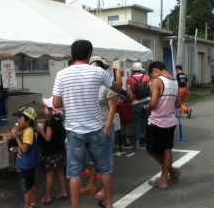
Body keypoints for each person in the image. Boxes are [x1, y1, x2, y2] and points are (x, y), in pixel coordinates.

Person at [52, 39, 123, 208]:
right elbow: (118, 89)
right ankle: (108, 202)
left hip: (73, 130)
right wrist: (119, 77)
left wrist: (70, 100)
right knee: (104, 168)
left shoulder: (62, 74)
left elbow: (55, 104)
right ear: (89, 54)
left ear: (72, 54)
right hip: (95, 128)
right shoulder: (97, 72)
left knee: (74, 173)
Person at [79, 56, 118, 201]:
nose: (93, 70)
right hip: (90, 126)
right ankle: (91, 184)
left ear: (102, 69)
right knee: (90, 158)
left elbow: (112, 108)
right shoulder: (87, 84)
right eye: (91, 67)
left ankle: (105, 188)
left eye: (96, 67)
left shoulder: (108, 85)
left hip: (104, 124)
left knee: (105, 159)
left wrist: (107, 128)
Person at [144, 61, 181, 189]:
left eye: (151, 75)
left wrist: (147, 107)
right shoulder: (175, 81)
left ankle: (170, 172)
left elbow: (153, 103)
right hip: (171, 121)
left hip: (157, 122)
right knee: (167, 149)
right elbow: (178, 103)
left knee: (150, 150)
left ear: (155, 71)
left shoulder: (158, 81)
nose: (152, 78)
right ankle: (165, 178)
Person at [36, 97, 68, 205]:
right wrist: (47, 121)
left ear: (51, 110)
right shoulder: (58, 119)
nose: (44, 110)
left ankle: (47, 197)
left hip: (50, 153)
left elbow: (48, 138)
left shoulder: (50, 125)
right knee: (59, 171)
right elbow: (53, 123)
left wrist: (41, 130)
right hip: (59, 151)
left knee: (49, 174)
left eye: (45, 108)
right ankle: (63, 191)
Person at [10, 106, 41, 208]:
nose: (18, 120)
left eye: (20, 117)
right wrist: (17, 148)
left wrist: (16, 138)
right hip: (30, 163)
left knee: (25, 186)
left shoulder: (28, 132)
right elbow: (24, 148)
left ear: (28, 120)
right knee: (31, 183)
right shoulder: (28, 130)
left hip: (26, 165)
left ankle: (27, 206)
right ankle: (32, 202)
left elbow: (24, 149)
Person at [126, 62, 151, 150]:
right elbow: (151, 90)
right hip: (147, 101)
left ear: (133, 70)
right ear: (141, 69)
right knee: (148, 121)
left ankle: (137, 145)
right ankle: (150, 142)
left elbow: (129, 93)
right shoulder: (147, 77)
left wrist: (130, 98)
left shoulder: (129, 79)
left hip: (136, 103)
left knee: (137, 123)